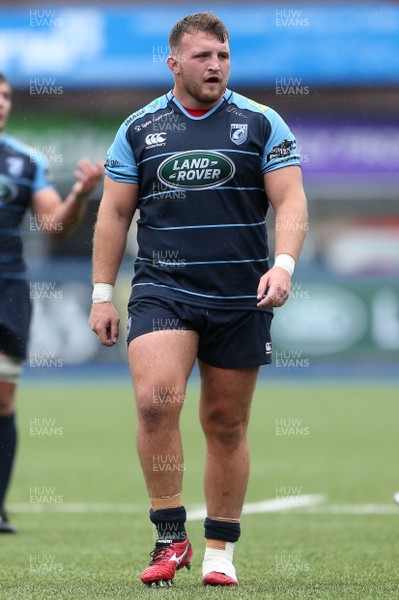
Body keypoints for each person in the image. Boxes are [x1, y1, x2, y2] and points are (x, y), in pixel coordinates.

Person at [90, 12, 308, 587]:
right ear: (174, 62)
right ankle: (170, 534)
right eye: (203, 55)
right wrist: (100, 294)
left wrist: (283, 266)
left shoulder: (263, 123)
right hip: (163, 288)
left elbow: (290, 204)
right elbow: (114, 213)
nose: (215, 66)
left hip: (241, 294)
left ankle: (219, 552)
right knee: (156, 400)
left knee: (226, 423)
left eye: (223, 56)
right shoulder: (139, 128)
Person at [0, 72, 103, 533]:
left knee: (3, 401)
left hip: (8, 291)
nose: (1, 103)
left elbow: (54, 225)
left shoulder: (24, 161)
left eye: (5, 96)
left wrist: (79, 195)